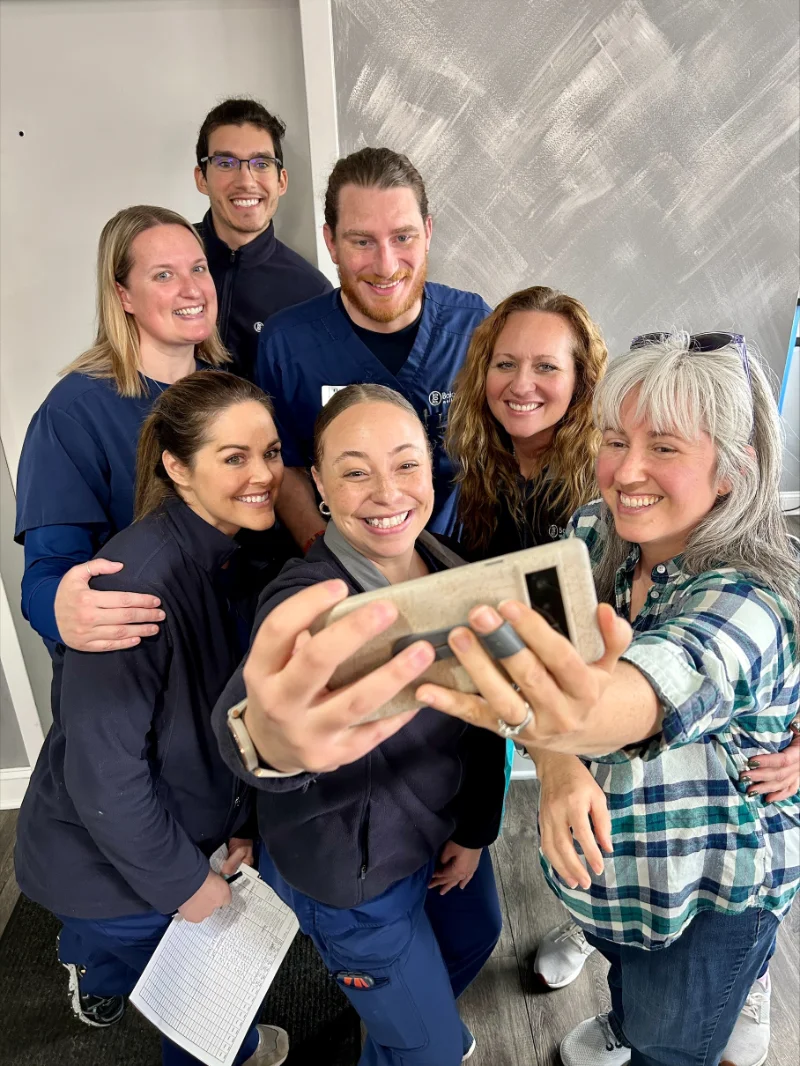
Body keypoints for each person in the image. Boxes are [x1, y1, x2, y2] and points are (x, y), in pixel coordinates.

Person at [414, 332, 800, 1066]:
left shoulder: (748, 603)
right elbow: (560, 682)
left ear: (731, 471)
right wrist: (558, 766)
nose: (624, 472)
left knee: (671, 1040)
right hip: (614, 874)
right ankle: (627, 1023)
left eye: (664, 448)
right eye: (616, 440)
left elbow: (623, 697)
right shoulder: (594, 530)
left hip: (703, 893)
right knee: (629, 985)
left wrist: (558, 719)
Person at [213, 384, 506, 1066]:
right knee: (430, 1052)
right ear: (317, 483)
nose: (385, 491)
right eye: (354, 470)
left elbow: (486, 720)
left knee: (474, 935)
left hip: (437, 834)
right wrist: (274, 744)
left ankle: (398, 1028)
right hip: (355, 878)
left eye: (405, 464)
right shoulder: (305, 600)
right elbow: (248, 728)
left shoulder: (455, 566)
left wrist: (474, 830)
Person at [15, 371, 291, 1066]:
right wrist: (185, 884)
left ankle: (101, 964)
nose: (262, 474)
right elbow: (106, 777)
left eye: (271, 452)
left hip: (165, 833)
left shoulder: (236, 555)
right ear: (177, 465)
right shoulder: (135, 586)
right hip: (106, 863)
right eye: (234, 458)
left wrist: (237, 829)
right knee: (208, 1024)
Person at [15, 205, 227, 655]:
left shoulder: (234, 393)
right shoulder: (72, 413)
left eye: (198, 268)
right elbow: (46, 575)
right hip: (147, 665)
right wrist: (62, 611)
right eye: (164, 275)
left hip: (235, 654)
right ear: (123, 295)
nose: (191, 288)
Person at [255, 147, 492, 549]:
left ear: (428, 233)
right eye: (362, 241)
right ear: (331, 242)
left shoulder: (475, 327)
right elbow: (284, 463)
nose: (385, 265)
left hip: (462, 558)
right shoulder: (287, 344)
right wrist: (332, 560)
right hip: (343, 562)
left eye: (403, 237)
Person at [446, 284, 608, 557]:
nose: (521, 386)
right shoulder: (480, 462)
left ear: (580, 381)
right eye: (506, 364)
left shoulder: (605, 481)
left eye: (546, 367)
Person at [194, 97, 331, 381]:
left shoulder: (312, 293)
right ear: (202, 178)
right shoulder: (162, 263)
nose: (245, 180)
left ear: (281, 181)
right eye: (225, 162)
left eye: (261, 163)